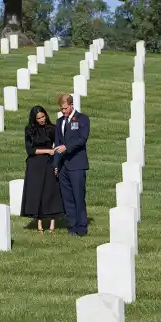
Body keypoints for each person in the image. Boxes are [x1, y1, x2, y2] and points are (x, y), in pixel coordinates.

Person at [20, 105, 64, 232]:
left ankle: (52, 224)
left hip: (49, 163)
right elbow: (30, 150)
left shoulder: (52, 128)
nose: (41, 120)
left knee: (50, 192)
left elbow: (59, 145)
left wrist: (56, 161)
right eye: (38, 118)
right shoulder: (29, 130)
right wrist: (48, 151)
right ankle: (39, 224)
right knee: (37, 192)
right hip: (35, 165)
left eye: (43, 116)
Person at [53, 93, 90, 236]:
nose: (63, 111)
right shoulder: (59, 122)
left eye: (65, 108)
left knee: (78, 196)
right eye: (61, 109)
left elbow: (82, 139)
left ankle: (82, 227)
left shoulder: (82, 119)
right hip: (63, 166)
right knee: (67, 198)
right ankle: (72, 226)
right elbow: (57, 144)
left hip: (77, 164)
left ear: (71, 105)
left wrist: (67, 148)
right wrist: (56, 164)